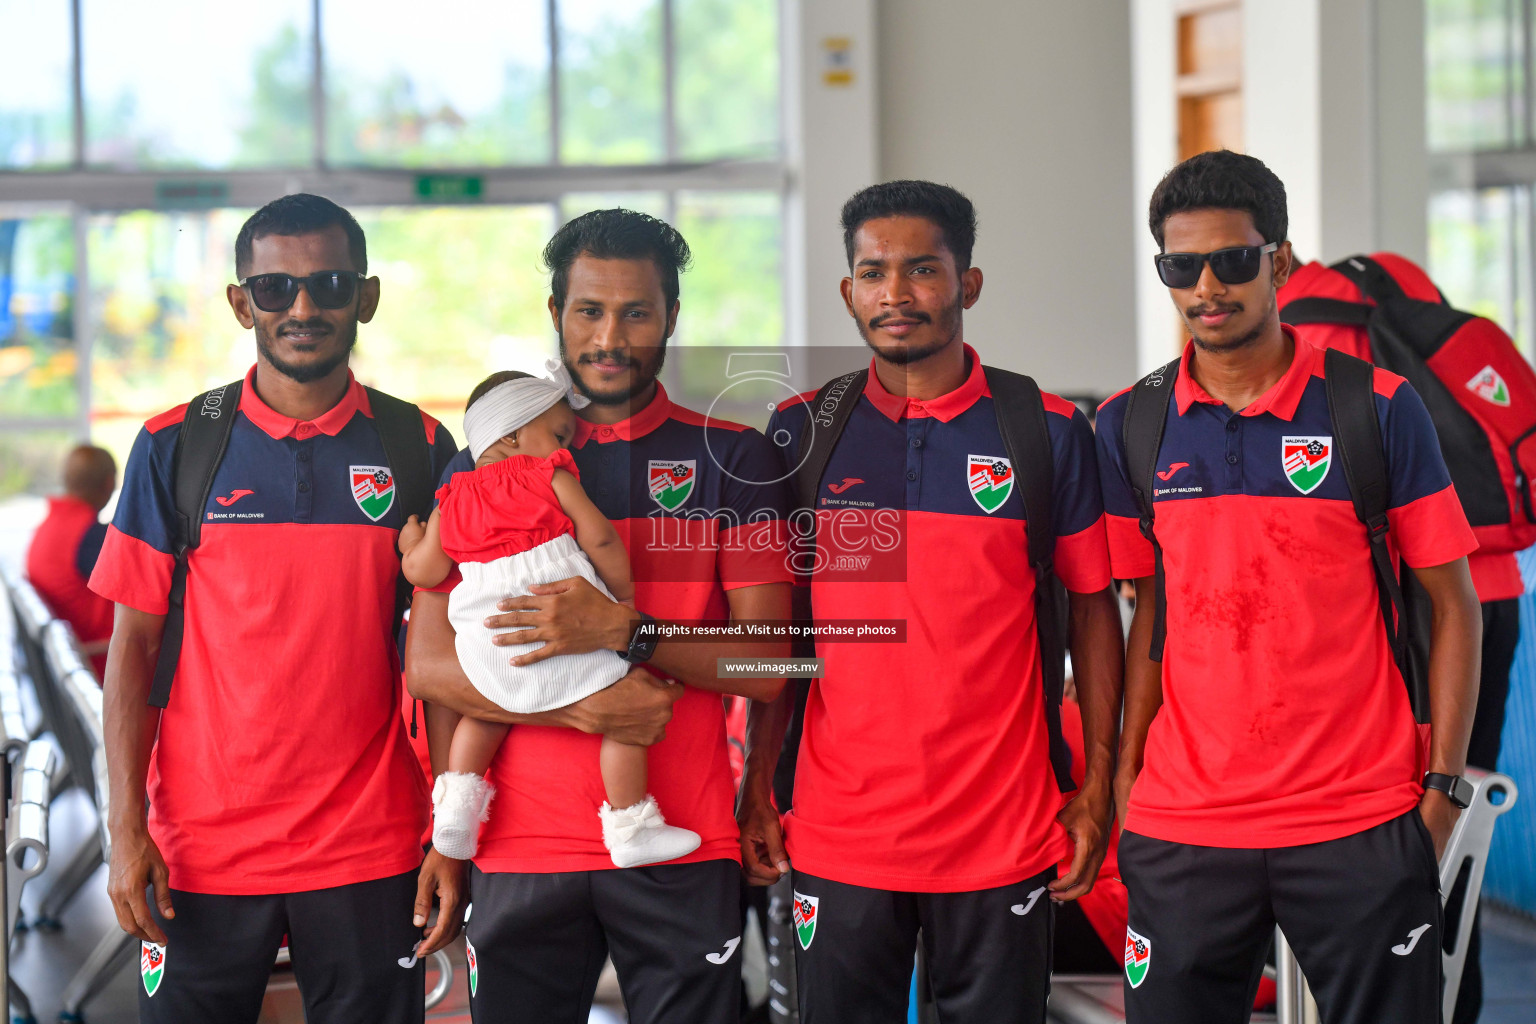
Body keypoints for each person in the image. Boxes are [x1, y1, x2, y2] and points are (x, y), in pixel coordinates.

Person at [1096, 150, 1483, 1024]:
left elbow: (1452, 602)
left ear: (1278, 259)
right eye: (1180, 267)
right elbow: (1145, 615)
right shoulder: (1129, 422)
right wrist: (1126, 784)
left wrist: (1442, 790)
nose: (1207, 287)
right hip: (1185, 824)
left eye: (1232, 261)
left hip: (1360, 820)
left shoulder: (1376, 407)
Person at [737, 180, 1125, 1024]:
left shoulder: (1047, 431)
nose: (896, 294)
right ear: (848, 292)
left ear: (968, 284)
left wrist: (1096, 787)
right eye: (873, 273)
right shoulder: (801, 432)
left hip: (1005, 835)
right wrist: (758, 781)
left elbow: (1095, 611)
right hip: (840, 834)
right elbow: (783, 634)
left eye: (922, 270)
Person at [405, 208, 793, 1024]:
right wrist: (451, 835)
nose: (611, 335)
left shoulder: (737, 459)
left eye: (637, 312)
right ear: (556, 315)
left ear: (672, 319)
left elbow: (769, 665)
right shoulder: (483, 467)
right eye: (589, 310)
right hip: (515, 842)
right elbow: (430, 668)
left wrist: (626, 631)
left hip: (681, 836)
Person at [89, 193, 464, 1023]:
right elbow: (132, 652)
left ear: (364, 297)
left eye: (329, 285)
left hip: (371, 846)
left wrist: (451, 828)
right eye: (274, 289)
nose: (303, 308)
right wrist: (126, 829)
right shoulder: (175, 446)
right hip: (197, 850)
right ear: (239, 302)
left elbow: (444, 664)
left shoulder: (420, 448)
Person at [1277, 251, 1519, 1024]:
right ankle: (1454, 999)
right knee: (1458, 817)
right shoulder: (1397, 282)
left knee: (1367, 823)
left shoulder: (1301, 321)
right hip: (1488, 587)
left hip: (1393, 601)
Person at [399, 365, 699, 867]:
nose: (569, 446)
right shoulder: (548, 475)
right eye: (559, 434)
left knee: (483, 713)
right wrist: (621, 599)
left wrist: (410, 542)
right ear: (513, 433)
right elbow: (599, 537)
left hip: (492, 643)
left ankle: (456, 810)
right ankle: (630, 827)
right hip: (570, 634)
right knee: (625, 717)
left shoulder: (451, 500)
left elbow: (425, 572)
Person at [26, 444, 117, 674]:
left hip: (67, 661)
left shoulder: (47, 526)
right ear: (110, 483)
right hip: (98, 661)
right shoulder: (91, 537)